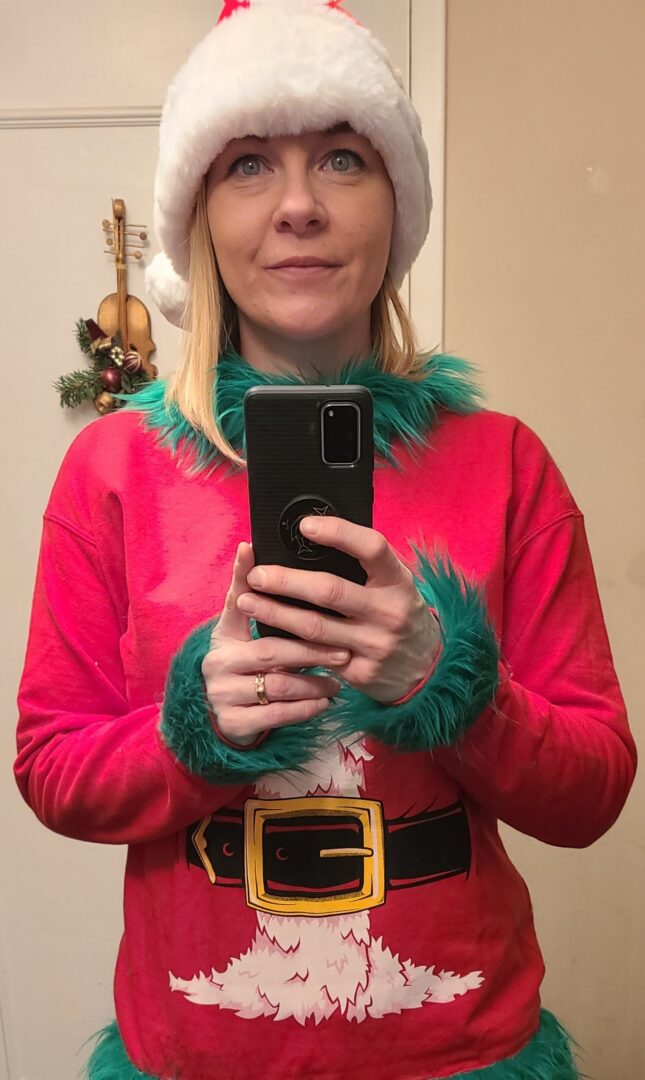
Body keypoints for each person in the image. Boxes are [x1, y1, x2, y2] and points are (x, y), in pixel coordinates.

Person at [15, 1, 637, 1078]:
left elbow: (591, 794)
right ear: (200, 216)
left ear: (396, 205)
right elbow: (50, 768)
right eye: (248, 164)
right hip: (195, 1048)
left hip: (464, 1050)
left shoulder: (505, 464)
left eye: (343, 158)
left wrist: (450, 686)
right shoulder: (112, 470)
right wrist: (191, 729)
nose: (298, 205)